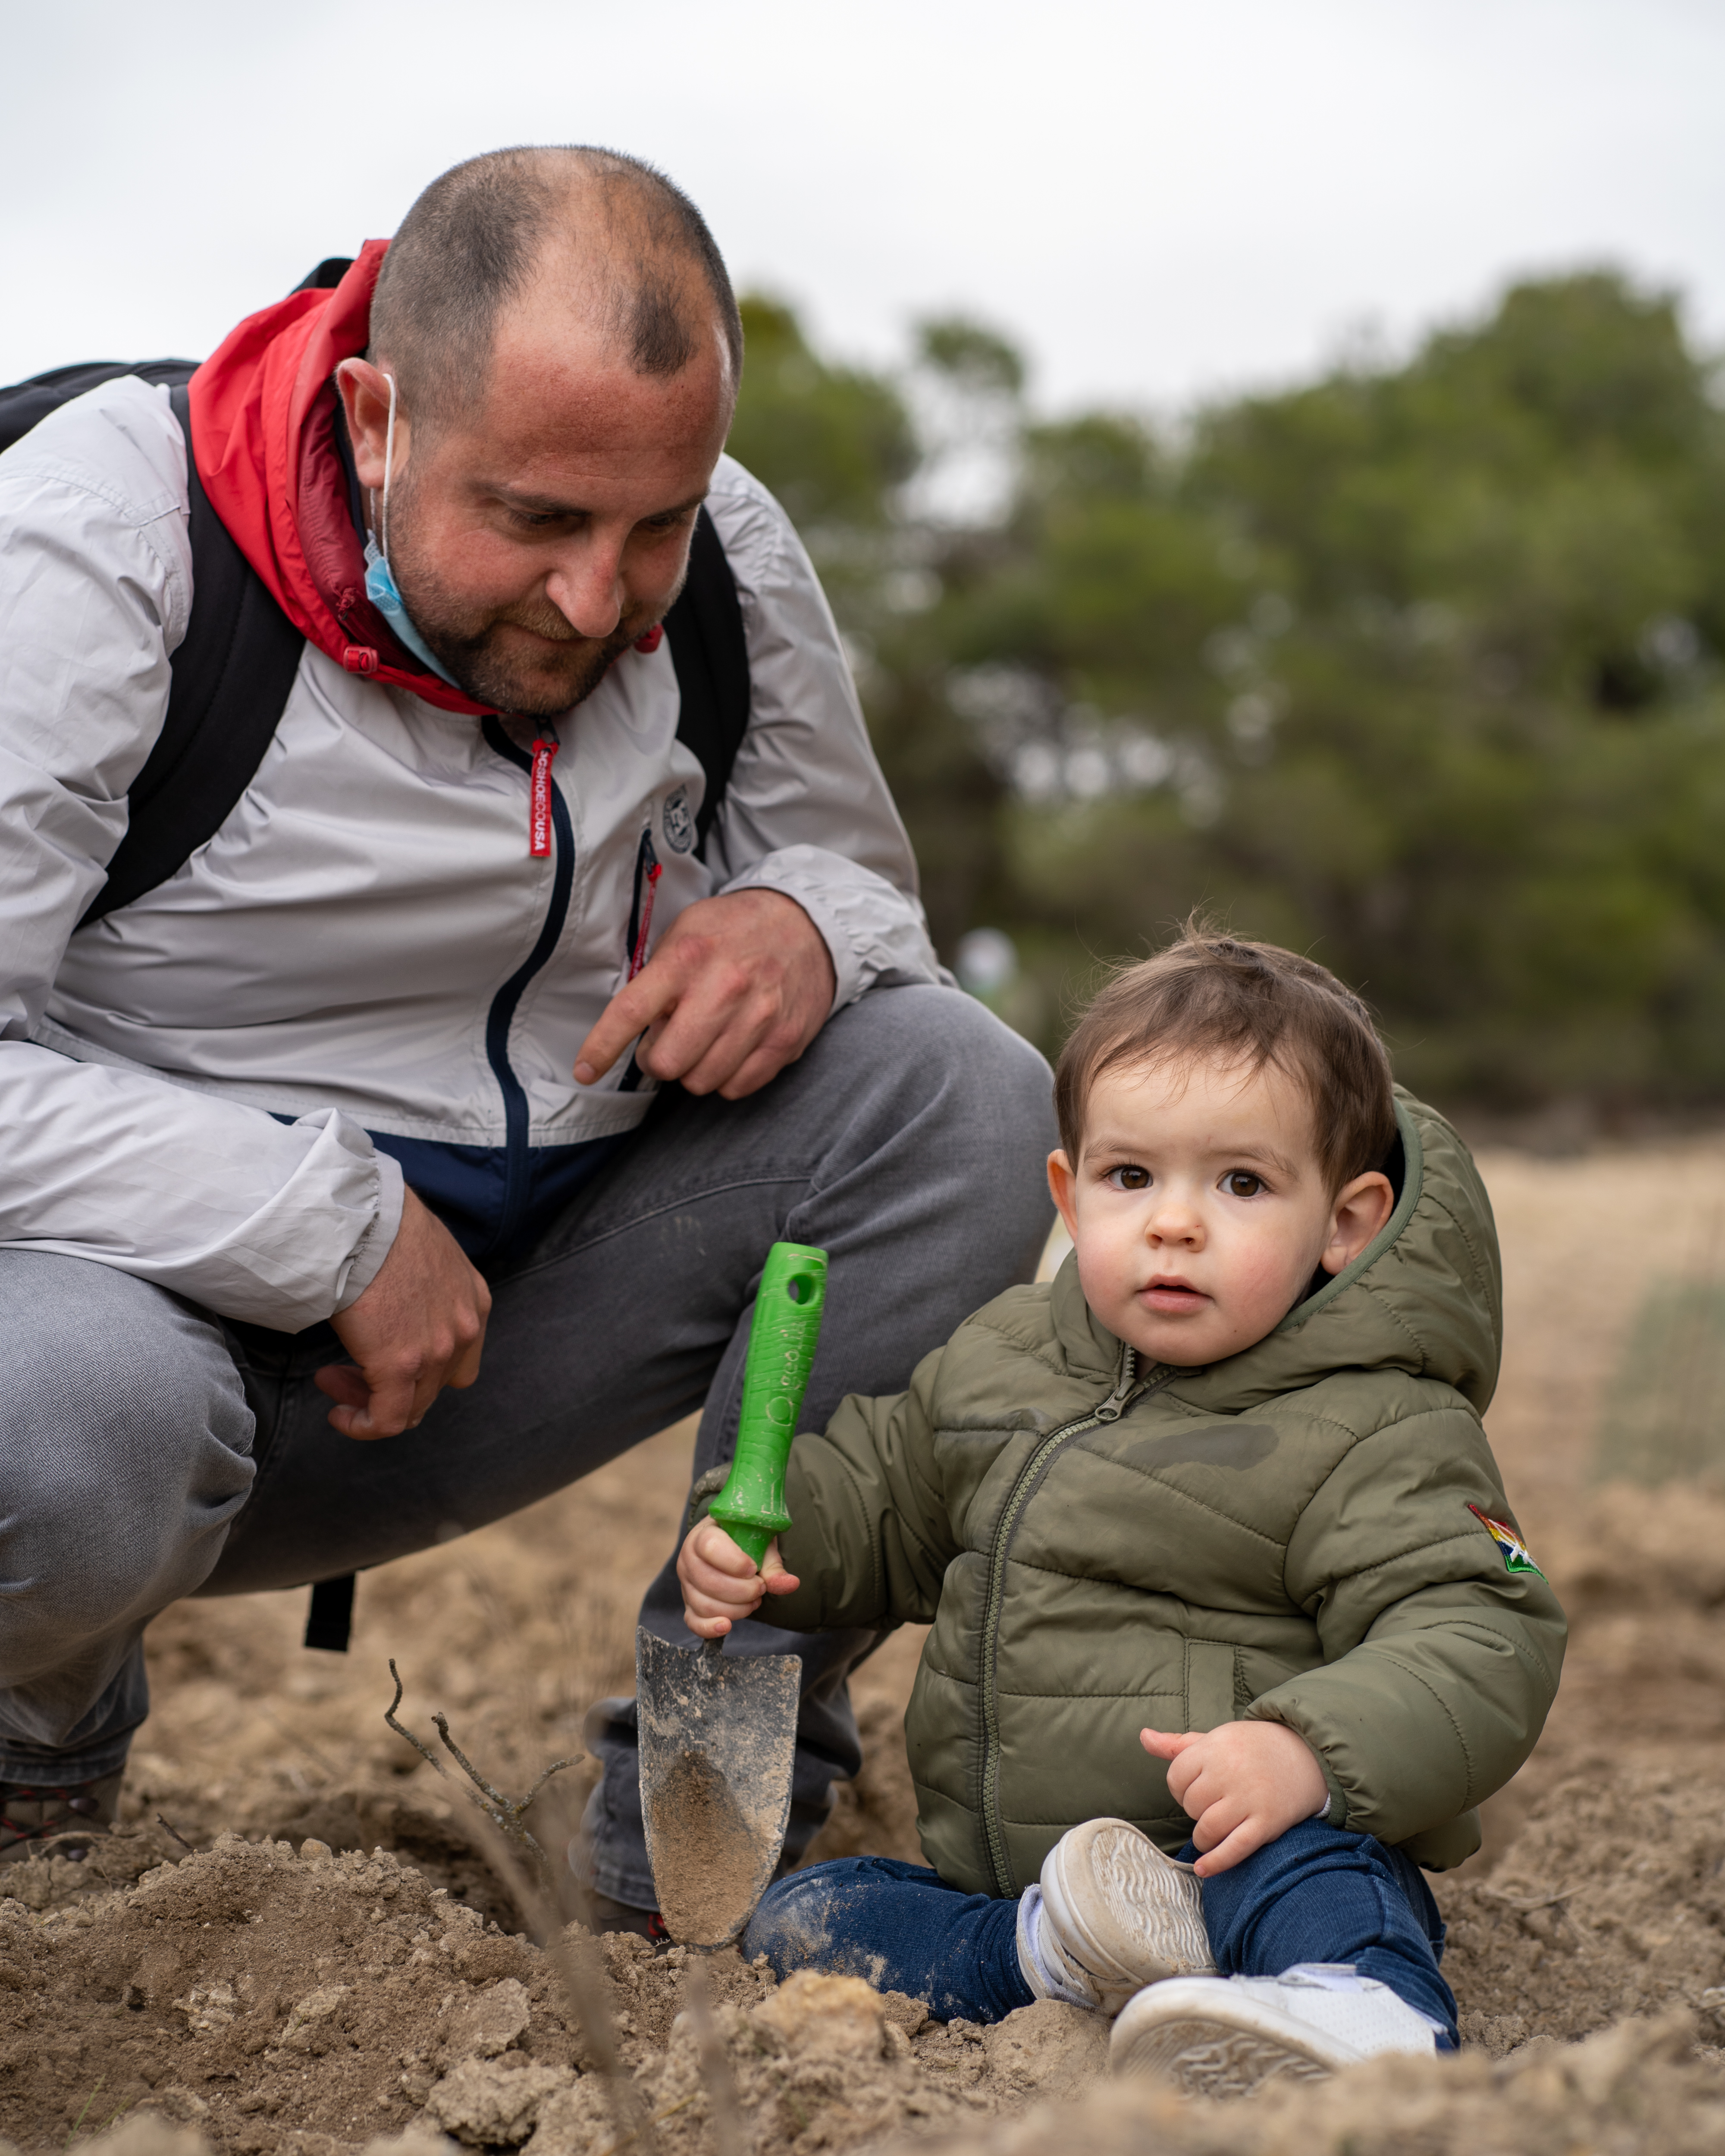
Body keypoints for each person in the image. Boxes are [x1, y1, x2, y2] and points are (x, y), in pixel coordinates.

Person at [0, 146, 1054, 1898]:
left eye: (654, 523)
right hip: (137, 1340)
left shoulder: (725, 554)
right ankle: (38, 1718)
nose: (598, 598)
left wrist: (807, 920)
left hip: (531, 1304)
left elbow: (867, 891)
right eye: (539, 521)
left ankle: (708, 1805)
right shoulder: (99, 541)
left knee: (961, 1094)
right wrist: (322, 1220)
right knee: (53, 1426)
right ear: (372, 414)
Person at [676, 927, 1566, 2094]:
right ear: (1070, 1188)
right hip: (1027, 1885)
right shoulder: (1004, 1360)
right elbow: (889, 1500)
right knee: (809, 1915)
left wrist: (1308, 1752)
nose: (1174, 1223)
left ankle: (1364, 2014)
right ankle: (1065, 1956)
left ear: (1345, 1224)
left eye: (1241, 1183)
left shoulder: (1376, 1425)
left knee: (1323, 1885)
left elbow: (1481, 1629)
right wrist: (777, 1529)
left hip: (1241, 1854)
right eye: (1130, 1177)